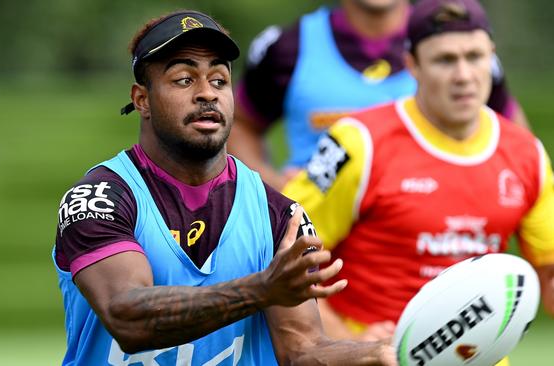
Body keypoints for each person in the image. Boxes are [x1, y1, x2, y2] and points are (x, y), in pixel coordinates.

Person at [52, 10, 399, 366]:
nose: (207, 94)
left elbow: (302, 351)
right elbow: (127, 317)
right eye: (184, 80)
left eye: (219, 80)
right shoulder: (99, 199)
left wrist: (381, 353)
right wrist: (261, 289)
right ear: (142, 100)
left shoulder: (279, 214)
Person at [282, 0, 554, 360]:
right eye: (445, 60)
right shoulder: (358, 142)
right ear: (412, 66)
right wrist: (344, 340)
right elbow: (284, 255)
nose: (464, 75)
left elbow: (548, 271)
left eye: (475, 56)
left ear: (492, 58)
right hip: (371, 357)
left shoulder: (526, 153)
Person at [227, 0, 529, 191]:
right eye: (445, 62)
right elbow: (238, 124)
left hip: (432, 244)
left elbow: (518, 144)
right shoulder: (288, 47)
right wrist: (268, 182)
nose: (461, 71)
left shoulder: (456, 48)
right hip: (319, 244)